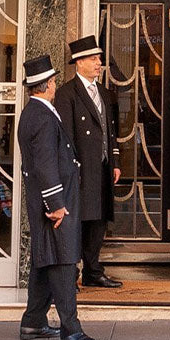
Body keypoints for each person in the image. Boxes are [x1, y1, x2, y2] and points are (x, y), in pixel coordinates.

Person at [16, 53, 96, 340]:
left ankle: (33, 321)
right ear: (47, 84)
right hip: (53, 205)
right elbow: (46, 164)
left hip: (48, 202)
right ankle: (70, 327)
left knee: (44, 258)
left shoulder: (34, 112)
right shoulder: (43, 117)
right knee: (63, 260)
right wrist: (56, 204)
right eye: (52, 81)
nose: (55, 85)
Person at [54, 34, 122, 289]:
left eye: (99, 59)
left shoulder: (103, 92)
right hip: (82, 169)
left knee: (99, 220)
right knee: (77, 222)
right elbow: (66, 136)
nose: (99, 63)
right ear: (78, 62)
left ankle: (94, 271)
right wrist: (72, 169)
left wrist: (114, 161)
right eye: (93, 59)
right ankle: (71, 274)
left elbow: (110, 130)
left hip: (102, 167)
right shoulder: (66, 94)